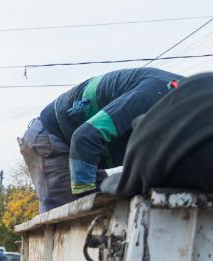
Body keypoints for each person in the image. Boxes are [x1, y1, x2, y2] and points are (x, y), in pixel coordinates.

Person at [19, 67, 183, 212]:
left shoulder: (188, 114)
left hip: (88, 151)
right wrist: (86, 204)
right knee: (68, 217)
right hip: (53, 138)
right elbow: (83, 138)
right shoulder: (153, 96)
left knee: (108, 211)